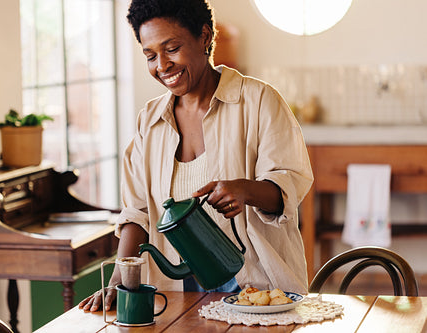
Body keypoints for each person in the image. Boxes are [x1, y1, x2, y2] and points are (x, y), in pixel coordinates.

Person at [79, 0, 313, 313]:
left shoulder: (258, 102)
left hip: (257, 291)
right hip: (177, 295)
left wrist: (245, 190)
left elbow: (289, 187)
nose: (161, 65)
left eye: (171, 48)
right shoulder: (148, 121)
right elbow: (137, 213)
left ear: (204, 36)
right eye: (150, 55)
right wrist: (119, 281)